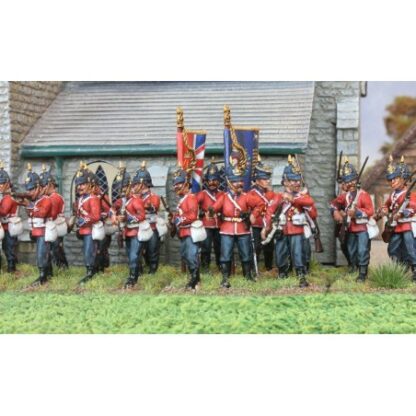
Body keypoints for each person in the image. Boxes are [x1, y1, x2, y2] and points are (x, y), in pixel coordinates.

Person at [263, 156, 314, 287]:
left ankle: (301, 274)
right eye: (293, 180)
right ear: (285, 182)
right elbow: (269, 211)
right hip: (282, 229)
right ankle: (282, 273)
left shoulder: (302, 197)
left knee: (298, 252)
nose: (297, 183)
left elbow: (310, 204)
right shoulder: (278, 197)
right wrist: (266, 227)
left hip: (296, 230)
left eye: (298, 180)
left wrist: (293, 199)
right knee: (281, 251)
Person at [209, 165, 254, 288]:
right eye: (235, 181)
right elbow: (214, 208)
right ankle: (225, 278)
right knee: (225, 255)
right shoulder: (224, 197)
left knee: (246, 254)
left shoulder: (246, 196)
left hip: (242, 228)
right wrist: (211, 211)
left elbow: (260, 205)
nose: (239, 184)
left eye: (240, 181)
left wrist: (252, 215)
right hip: (227, 229)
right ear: (229, 182)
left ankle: (248, 276)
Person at [330, 157, 374, 282]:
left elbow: (370, 211)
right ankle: (354, 268)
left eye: (352, 180)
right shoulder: (345, 196)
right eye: (347, 181)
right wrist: (335, 212)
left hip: (362, 229)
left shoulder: (363, 195)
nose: (349, 183)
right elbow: (333, 204)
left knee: (362, 250)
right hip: (350, 228)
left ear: (356, 180)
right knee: (351, 250)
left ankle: (363, 273)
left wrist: (357, 213)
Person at [378, 156, 416, 281]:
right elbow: (387, 205)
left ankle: (414, 270)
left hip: (407, 226)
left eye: (395, 178)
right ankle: (399, 268)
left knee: (410, 249)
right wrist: (384, 209)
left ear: (404, 179)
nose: (392, 182)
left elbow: (413, 208)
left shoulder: (410, 195)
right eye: (390, 179)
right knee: (392, 248)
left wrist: (403, 213)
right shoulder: (393, 194)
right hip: (395, 226)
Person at [20, 165, 52, 286]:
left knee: (41, 253)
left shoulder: (46, 200)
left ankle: (43, 276)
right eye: (28, 190)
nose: (30, 192)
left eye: (32, 189)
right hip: (36, 231)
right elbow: (31, 214)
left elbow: (41, 213)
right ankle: (47, 273)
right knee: (42, 252)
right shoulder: (35, 202)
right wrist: (27, 205)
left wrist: (29, 205)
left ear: (38, 187)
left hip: (44, 231)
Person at [115, 168, 147, 289]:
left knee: (134, 255)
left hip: (136, 231)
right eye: (120, 188)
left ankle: (133, 277)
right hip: (128, 231)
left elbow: (142, 216)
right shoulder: (124, 201)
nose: (122, 190)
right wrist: (117, 217)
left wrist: (127, 218)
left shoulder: (136, 200)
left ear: (129, 186)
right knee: (131, 255)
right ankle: (135, 273)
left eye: (123, 187)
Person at [170, 168, 201, 289]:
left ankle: (195, 279)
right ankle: (193, 277)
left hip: (190, 231)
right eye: (175, 184)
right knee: (185, 254)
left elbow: (192, 216)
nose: (176, 186)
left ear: (186, 184)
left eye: (179, 184)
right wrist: (174, 218)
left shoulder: (191, 198)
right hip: (184, 231)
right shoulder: (183, 199)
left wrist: (179, 219)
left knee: (191, 255)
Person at [74, 164, 102, 285]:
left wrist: (84, 220)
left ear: (89, 184)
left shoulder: (93, 198)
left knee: (89, 251)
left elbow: (96, 216)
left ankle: (91, 271)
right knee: (87, 250)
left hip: (91, 229)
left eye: (83, 184)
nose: (80, 187)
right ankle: (90, 270)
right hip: (84, 230)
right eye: (79, 185)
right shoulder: (80, 199)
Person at [39, 165, 68, 274]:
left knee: (56, 248)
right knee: (52, 248)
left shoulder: (55, 197)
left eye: (43, 186)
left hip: (56, 225)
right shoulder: (48, 198)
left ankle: (62, 268)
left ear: (50, 185)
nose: (42, 189)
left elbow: (53, 214)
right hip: (51, 226)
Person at [246, 160, 275, 272]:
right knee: (256, 248)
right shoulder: (251, 194)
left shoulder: (270, 193)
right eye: (264, 179)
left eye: (268, 178)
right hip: (256, 224)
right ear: (257, 180)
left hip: (267, 224)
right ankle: (253, 269)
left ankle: (269, 268)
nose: (268, 181)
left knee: (269, 247)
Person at [196, 160, 223, 272]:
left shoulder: (222, 194)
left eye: (215, 180)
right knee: (205, 247)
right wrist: (202, 213)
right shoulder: (202, 194)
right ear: (206, 181)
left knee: (219, 247)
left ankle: (220, 266)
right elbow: (194, 207)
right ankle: (205, 267)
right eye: (210, 180)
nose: (212, 183)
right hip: (206, 225)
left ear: (218, 181)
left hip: (219, 225)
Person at [136, 161, 162, 274]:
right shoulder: (136, 197)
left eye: (138, 184)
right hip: (139, 226)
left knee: (152, 249)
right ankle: (139, 269)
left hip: (151, 226)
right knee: (138, 249)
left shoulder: (154, 197)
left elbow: (153, 207)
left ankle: (153, 269)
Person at [0, 162, 19, 272]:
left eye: (1, 183)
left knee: (9, 248)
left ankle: (12, 269)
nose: (0, 186)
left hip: (10, 227)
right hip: (5, 226)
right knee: (6, 247)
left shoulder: (8, 198)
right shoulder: (4, 197)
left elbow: (3, 212)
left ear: (7, 183)